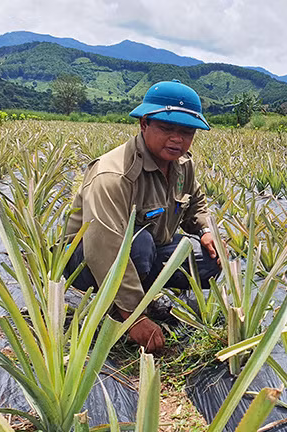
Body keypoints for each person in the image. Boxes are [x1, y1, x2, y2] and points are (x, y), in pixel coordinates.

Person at [64, 80, 221, 353]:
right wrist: (133, 318)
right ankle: (119, 309)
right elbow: (103, 248)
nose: (177, 138)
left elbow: (196, 204)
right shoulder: (114, 176)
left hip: (147, 250)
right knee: (140, 245)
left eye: (186, 131)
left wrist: (206, 230)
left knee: (207, 260)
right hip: (88, 260)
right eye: (167, 128)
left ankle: (140, 297)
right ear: (144, 124)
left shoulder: (183, 165)